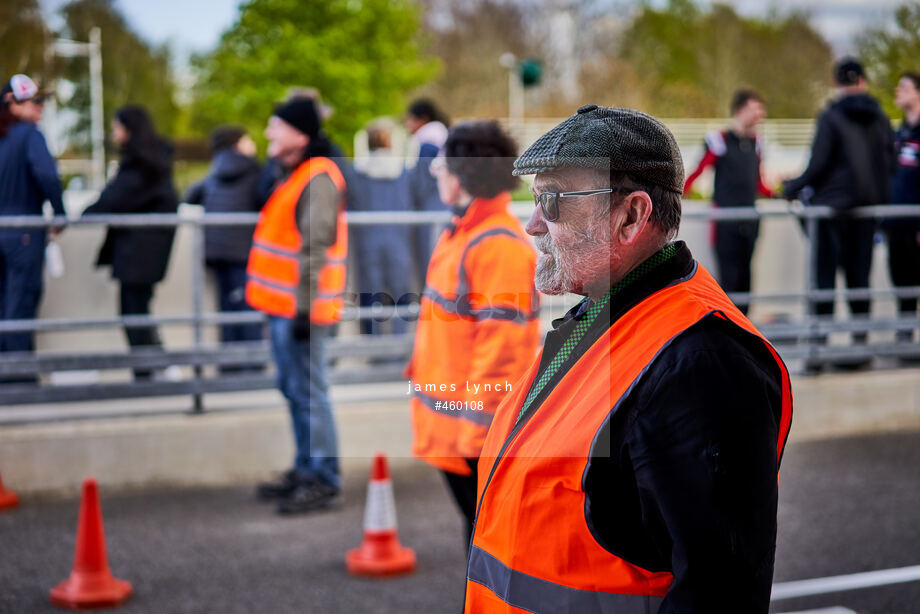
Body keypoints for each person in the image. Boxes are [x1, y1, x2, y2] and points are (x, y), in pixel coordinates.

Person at [464, 105, 793, 613]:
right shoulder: (602, 315)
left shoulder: (703, 365)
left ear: (632, 215)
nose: (531, 225)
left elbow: (719, 593)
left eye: (551, 202)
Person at [407, 121, 540, 545]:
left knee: (489, 543)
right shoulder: (463, 232)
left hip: (473, 439)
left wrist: (478, 438)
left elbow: (503, 353)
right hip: (455, 430)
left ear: (464, 173)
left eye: (442, 166)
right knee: (480, 539)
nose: (438, 174)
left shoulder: (496, 245)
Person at [248, 98, 347, 514]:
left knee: (308, 393)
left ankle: (323, 477)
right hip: (287, 309)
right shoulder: (297, 174)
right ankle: (306, 467)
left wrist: (304, 312)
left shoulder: (318, 178)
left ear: (301, 135)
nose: (269, 132)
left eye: (277, 126)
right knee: (296, 391)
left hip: (302, 312)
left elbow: (314, 248)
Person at [782, 58, 895, 367]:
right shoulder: (881, 118)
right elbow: (891, 162)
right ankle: (860, 349)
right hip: (867, 210)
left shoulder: (831, 116)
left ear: (837, 84)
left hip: (831, 212)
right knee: (859, 280)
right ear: (863, 81)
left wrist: (792, 187)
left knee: (824, 280)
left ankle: (818, 353)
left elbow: (817, 165)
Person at [82, 106, 178, 381]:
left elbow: (116, 197)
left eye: (117, 128)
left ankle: (149, 369)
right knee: (138, 309)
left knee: (133, 310)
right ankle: (154, 366)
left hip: (140, 252)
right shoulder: (153, 161)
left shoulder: (142, 164)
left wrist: (83, 217)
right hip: (147, 250)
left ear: (129, 129)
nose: (114, 134)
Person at [683, 89, 774, 314]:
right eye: (756, 109)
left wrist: (784, 191)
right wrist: (677, 193)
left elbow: (759, 183)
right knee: (729, 279)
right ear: (741, 110)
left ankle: (745, 330)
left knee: (746, 278)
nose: (760, 114)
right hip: (725, 223)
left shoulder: (757, 143)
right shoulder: (719, 140)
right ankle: (728, 331)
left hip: (750, 221)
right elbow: (697, 173)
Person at [0, 74, 65, 365]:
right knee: (20, 304)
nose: (40, 107)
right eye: (34, 101)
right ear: (10, 102)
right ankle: (19, 378)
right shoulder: (30, 135)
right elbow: (47, 175)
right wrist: (60, 212)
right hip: (23, 231)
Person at [184, 126, 264, 362]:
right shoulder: (254, 169)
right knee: (248, 307)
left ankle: (229, 363)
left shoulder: (215, 170)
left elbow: (190, 196)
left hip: (216, 250)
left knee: (226, 308)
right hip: (244, 251)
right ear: (238, 144)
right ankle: (251, 362)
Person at [348, 121, 413, 338]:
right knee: (400, 291)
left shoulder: (358, 173)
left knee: (370, 293)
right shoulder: (402, 171)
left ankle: (373, 343)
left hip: (368, 239)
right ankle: (399, 340)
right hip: (398, 239)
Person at [885, 71, 920, 346]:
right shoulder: (898, 133)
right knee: (901, 280)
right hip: (896, 223)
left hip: (915, 221)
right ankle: (906, 335)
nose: (898, 91)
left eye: (904, 87)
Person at [405, 98, 449, 290]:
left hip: (430, 207)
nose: (408, 124)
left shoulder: (427, 143)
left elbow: (423, 182)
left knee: (429, 259)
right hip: (444, 206)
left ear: (422, 119)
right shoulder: (442, 137)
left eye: (410, 119)